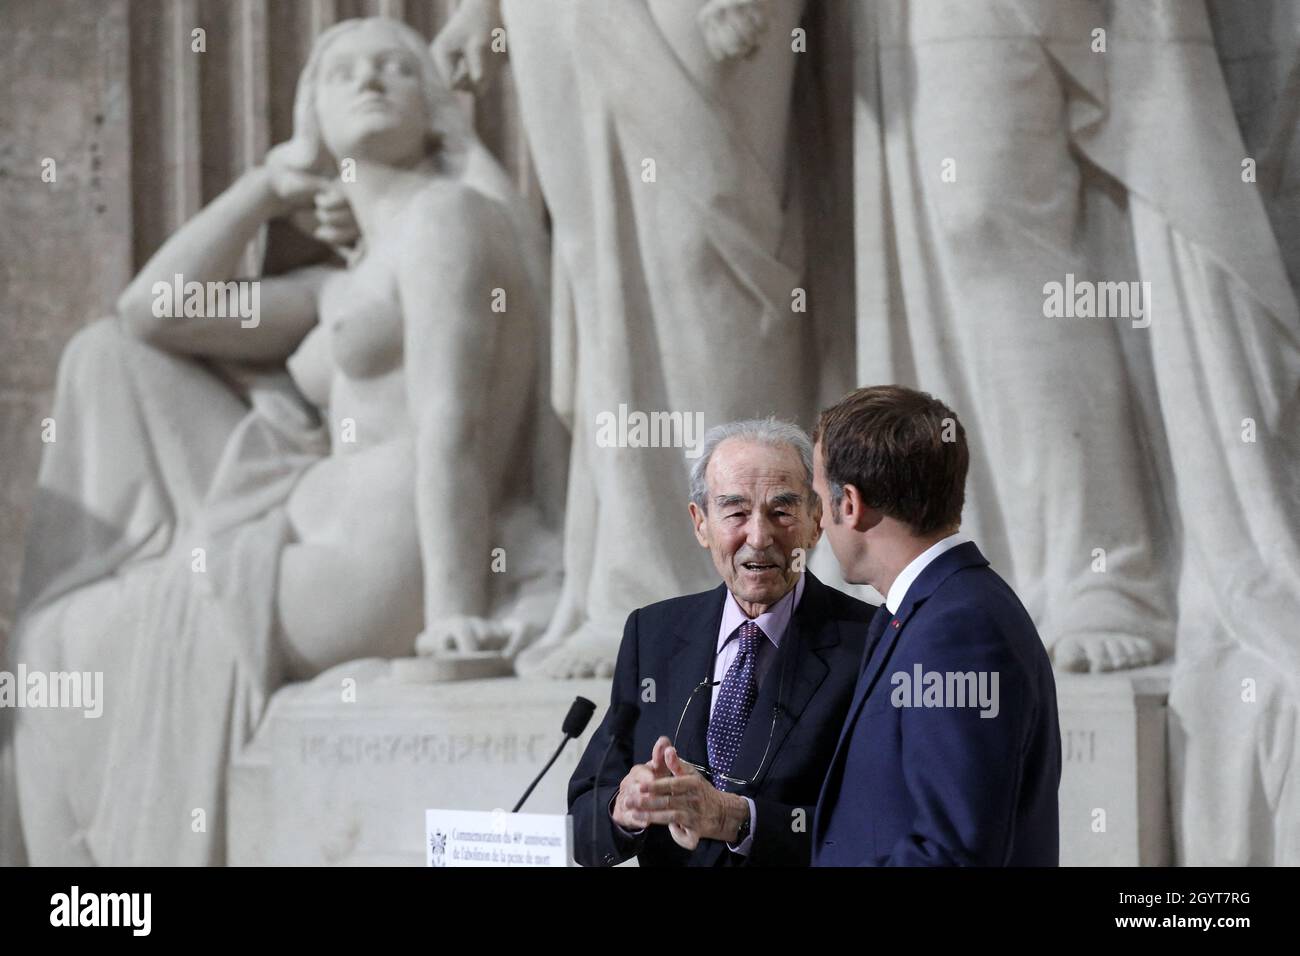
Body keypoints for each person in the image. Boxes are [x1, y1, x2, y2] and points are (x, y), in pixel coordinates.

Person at [9, 16, 550, 864]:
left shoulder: (445, 220)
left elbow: (458, 424)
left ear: (437, 108)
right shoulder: (337, 288)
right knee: (101, 361)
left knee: (53, 657)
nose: (371, 79)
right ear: (311, 118)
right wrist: (267, 182)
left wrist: (455, 615)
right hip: (296, 541)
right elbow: (149, 314)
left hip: (379, 566)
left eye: (396, 70)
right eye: (343, 73)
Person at [568, 419, 874, 866]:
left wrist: (737, 818)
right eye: (735, 512)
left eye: (782, 511)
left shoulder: (869, 641)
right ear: (701, 524)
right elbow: (581, 823)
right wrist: (624, 810)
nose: (759, 537)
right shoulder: (651, 633)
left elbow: (873, 827)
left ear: (816, 522)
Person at [810, 386, 1061, 866]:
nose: (818, 521)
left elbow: (952, 853)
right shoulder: (926, 613)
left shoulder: (957, 632)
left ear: (851, 505)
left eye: (821, 498)